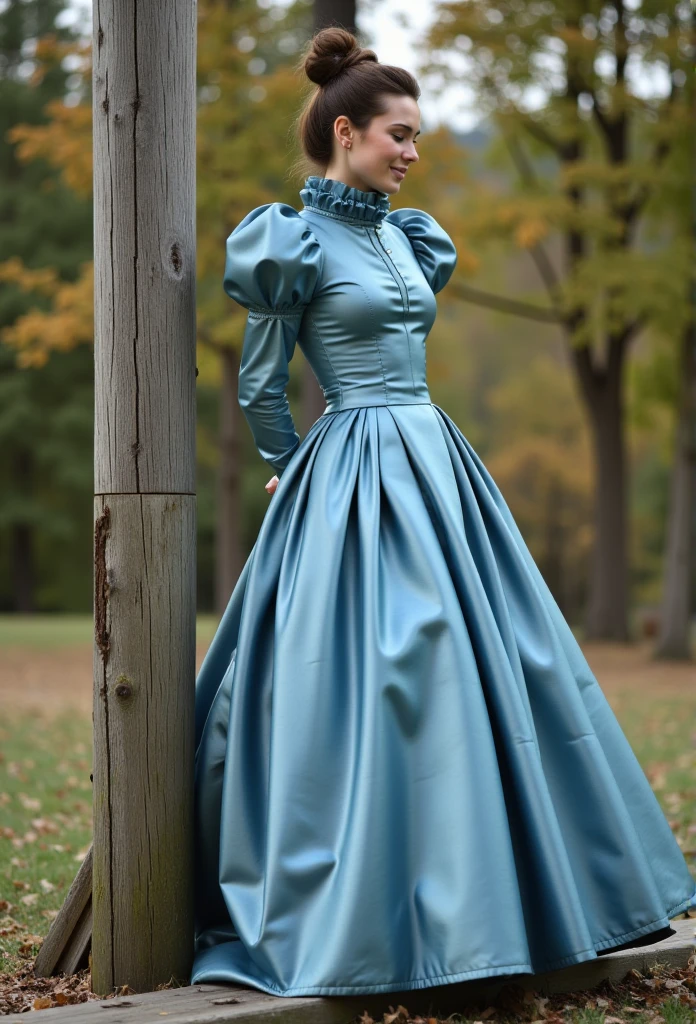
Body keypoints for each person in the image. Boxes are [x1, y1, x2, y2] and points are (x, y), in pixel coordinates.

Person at [190, 26, 696, 998]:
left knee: (503, 664)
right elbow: (262, 384)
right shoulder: (288, 243)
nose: (414, 153)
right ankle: (391, 922)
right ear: (346, 133)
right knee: (393, 680)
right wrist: (291, 467)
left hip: (437, 459)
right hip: (354, 471)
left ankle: (527, 901)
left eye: (417, 135)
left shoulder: (401, 233)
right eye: (400, 135)